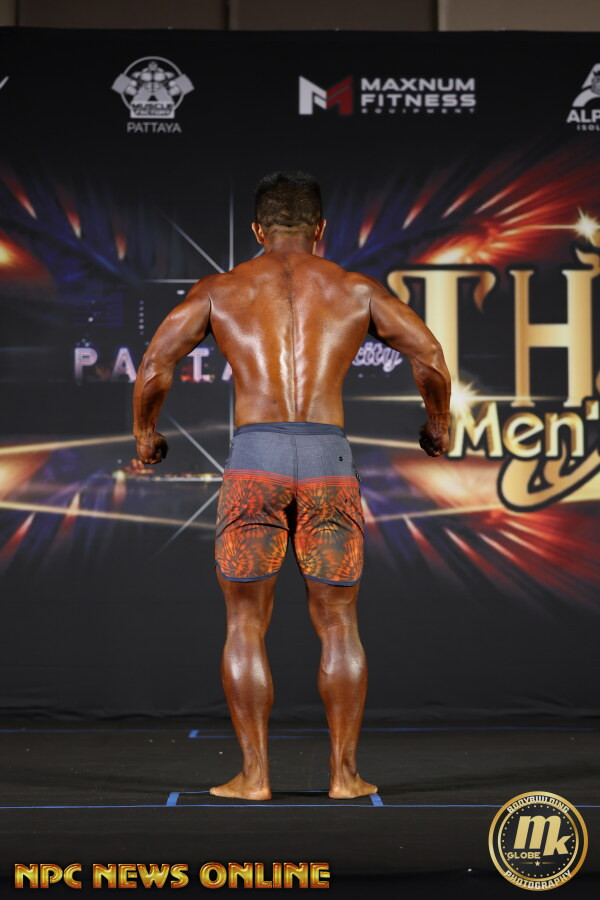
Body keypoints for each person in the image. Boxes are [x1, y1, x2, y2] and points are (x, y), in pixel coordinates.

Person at [133, 171, 451, 801]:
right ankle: (345, 776)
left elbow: (153, 367)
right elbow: (431, 358)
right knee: (339, 622)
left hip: (257, 460)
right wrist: (437, 423)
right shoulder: (355, 289)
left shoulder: (221, 290)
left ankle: (254, 777)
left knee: (245, 621)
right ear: (320, 229)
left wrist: (145, 434)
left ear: (258, 229)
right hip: (329, 460)